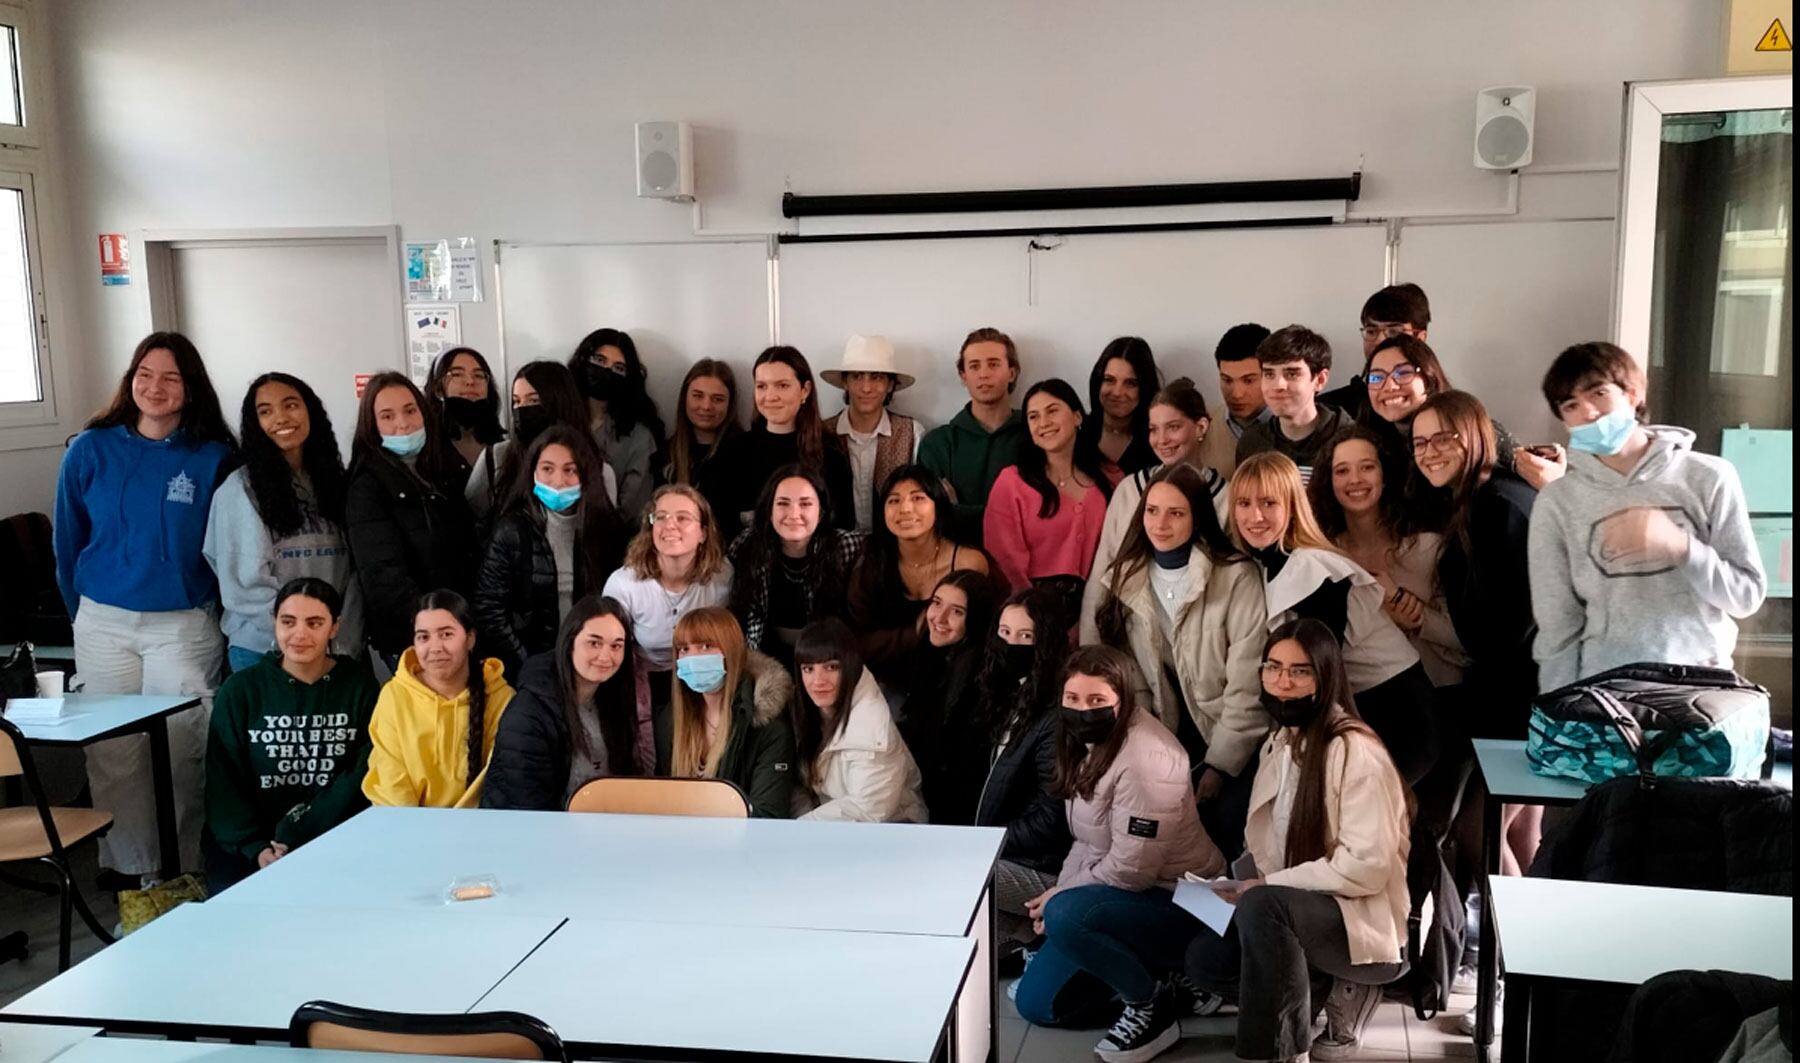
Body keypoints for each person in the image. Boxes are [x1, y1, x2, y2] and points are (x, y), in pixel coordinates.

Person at [1184, 619, 1413, 1063]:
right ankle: (1315, 994)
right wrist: (1236, 885)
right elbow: (1270, 846)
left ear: (1325, 676)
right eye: (1273, 667)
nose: (1282, 682)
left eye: (1300, 671)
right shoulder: (1280, 741)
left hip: (1356, 918)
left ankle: (1282, 1052)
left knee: (1263, 905)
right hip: (1300, 910)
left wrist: (1265, 884)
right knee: (1205, 959)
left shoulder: (1354, 750)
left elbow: (1365, 867)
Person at [54, 331, 236, 883]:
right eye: (145, 374)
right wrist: (81, 613)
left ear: (191, 388)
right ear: (130, 379)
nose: (155, 387)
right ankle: (133, 875)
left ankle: (180, 873)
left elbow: (228, 547)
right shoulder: (90, 448)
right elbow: (68, 542)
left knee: (183, 751)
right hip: (103, 623)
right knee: (114, 754)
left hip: (182, 625)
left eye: (171, 377)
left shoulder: (215, 458)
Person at [1011, 646, 1223, 1053]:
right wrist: (1062, 896)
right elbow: (1087, 841)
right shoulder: (1085, 740)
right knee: (1036, 1004)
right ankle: (1167, 976)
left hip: (1188, 900)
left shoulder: (1147, 760)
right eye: (1072, 699)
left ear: (1122, 701)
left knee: (1064, 916)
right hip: (1133, 894)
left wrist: (1061, 900)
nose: (1081, 711)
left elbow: (1133, 870)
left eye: (1096, 701)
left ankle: (1150, 1004)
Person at [1529, 341, 1766, 692]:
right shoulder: (1557, 502)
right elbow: (1557, 625)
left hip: (1702, 688)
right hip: (1605, 694)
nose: (1589, 413)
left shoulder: (1710, 477)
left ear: (1633, 393)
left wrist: (1681, 546)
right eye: (1571, 405)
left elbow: (1746, 596)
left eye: (1599, 393)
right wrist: (1561, 710)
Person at [1081, 463, 1269, 858]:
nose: (1160, 523)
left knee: (1226, 830)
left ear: (1197, 516)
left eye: (1176, 513)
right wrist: (1146, 751)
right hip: (1167, 735)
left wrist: (1220, 765)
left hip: (1233, 741)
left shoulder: (1236, 576)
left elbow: (1247, 684)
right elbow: (1134, 680)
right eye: (1152, 511)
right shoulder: (1125, 577)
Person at [1229, 452, 1437, 785]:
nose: (1255, 516)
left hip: (1394, 714)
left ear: (1293, 506)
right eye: (1243, 503)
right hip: (1357, 709)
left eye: (1269, 502)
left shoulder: (1312, 569)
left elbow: (1323, 673)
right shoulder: (1269, 566)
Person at [202, 578, 378, 893]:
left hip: (336, 837)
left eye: (314, 623)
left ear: (334, 627)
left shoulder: (360, 687)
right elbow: (224, 783)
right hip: (251, 846)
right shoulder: (241, 691)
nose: (300, 634)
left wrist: (303, 832)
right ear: (274, 624)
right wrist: (256, 848)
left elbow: (362, 773)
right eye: (288, 622)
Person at [205, 372, 363, 674]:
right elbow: (244, 584)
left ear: (310, 411)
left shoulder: (336, 483)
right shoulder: (239, 489)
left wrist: (336, 636)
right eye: (265, 411)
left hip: (336, 648)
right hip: (264, 651)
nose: (280, 417)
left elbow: (356, 575)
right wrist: (300, 634)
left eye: (290, 405)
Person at [1308, 425, 1467, 687]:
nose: (1355, 479)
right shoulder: (1323, 560)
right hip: (1363, 710)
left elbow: (1469, 641)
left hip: (1441, 700)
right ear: (1329, 482)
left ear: (1385, 475)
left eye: (1367, 467)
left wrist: (1416, 618)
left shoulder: (1428, 549)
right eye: (1342, 471)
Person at [343, 372, 480, 664]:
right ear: (372, 426)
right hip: (416, 639)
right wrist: (441, 628)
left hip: (463, 629)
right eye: (387, 416)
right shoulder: (366, 487)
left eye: (410, 411)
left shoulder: (445, 470)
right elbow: (384, 579)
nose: (403, 424)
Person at [474, 425, 628, 677]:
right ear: (532, 472)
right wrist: (529, 665)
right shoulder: (511, 530)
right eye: (547, 469)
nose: (558, 481)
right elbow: (490, 609)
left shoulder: (607, 529)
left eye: (570, 470)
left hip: (594, 664)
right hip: (531, 666)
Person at [480, 595, 654, 811]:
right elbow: (527, 807)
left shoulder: (614, 696)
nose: (605, 656)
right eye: (594, 643)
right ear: (569, 643)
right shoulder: (528, 712)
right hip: (537, 832)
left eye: (616, 646)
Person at [972, 587, 1075, 945]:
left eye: (1025, 636)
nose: (1012, 645)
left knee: (961, 873)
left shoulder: (1056, 714)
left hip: (1042, 868)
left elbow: (1052, 820)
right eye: (1005, 633)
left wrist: (984, 841)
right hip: (1009, 854)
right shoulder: (1011, 697)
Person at [362, 591, 515, 808]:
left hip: (479, 827)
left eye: (446, 635)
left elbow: (501, 781)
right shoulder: (394, 696)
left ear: (470, 638)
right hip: (408, 829)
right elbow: (390, 780)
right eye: (423, 637)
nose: (435, 648)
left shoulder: (500, 697)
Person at [845, 464, 991, 685]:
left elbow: (980, 639)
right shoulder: (872, 560)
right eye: (893, 500)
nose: (905, 509)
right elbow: (856, 640)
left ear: (938, 506)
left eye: (918, 498)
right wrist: (914, 631)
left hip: (952, 682)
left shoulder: (968, 562)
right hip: (882, 679)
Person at [698, 346, 856, 540]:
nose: (770, 396)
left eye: (782, 385)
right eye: (762, 386)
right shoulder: (733, 450)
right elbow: (715, 524)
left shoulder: (830, 453)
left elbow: (842, 526)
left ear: (805, 390)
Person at [654, 606, 796, 818]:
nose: (693, 657)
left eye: (706, 646)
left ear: (731, 652)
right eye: (684, 649)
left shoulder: (768, 727)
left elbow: (769, 814)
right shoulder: (670, 719)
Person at [1090, 377, 1230, 590]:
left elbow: (1232, 575)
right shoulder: (1130, 489)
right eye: (1154, 429)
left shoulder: (1226, 496)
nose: (1161, 439)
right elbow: (1104, 568)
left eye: (1173, 427)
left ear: (1201, 427)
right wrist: (1091, 623)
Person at [1357, 333, 1546, 489]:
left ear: (1429, 377)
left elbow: (1540, 473)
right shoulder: (1369, 431)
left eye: (1403, 373)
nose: (1389, 386)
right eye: (1376, 377)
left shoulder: (1467, 429)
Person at [601, 484, 733, 707]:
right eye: (661, 517)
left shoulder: (723, 575)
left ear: (703, 532)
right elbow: (611, 649)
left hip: (703, 675)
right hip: (641, 681)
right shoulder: (623, 583)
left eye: (683, 518)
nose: (669, 525)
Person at [984, 379, 1111, 605]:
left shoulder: (1109, 480)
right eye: (1033, 416)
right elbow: (1004, 559)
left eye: (1052, 411)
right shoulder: (1012, 482)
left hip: (1095, 609)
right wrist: (1031, 615)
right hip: (1029, 611)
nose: (1043, 423)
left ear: (1077, 417)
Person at [790, 618, 929, 822]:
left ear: (851, 666)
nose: (818, 681)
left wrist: (798, 829)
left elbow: (868, 809)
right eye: (808, 669)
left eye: (831, 667)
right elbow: (800, 786)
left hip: (893, 831)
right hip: (836, 829)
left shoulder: (872, 725)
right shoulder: (805, 711)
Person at [727, 465, 866, 667]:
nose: (793, 514)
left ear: (820, 513)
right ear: (769, 511)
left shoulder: (847, 547)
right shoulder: (748, 547)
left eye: (805, 504)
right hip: (766, 662)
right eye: (783, 503)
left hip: (830, 660)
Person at [896, 570, 999, 825]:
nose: (939, 618)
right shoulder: (931, 654)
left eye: (957, 611)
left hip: (956, 810)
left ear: (976, 619)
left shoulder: (980, 676)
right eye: (937, 603)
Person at [466, 361, 615, 527]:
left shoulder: (597, 467)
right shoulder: (496, 456)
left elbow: (605, 532)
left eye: (533, 400)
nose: (522, 409)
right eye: (516, 401)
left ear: (559, 403)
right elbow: (472, 519)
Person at [918, 326, 1029, 544]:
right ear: (963, 376)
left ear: (1012, 372)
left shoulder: (1036, 436)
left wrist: (960, 512)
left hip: (1027, 565)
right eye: (974, 366)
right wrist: (1007, 514)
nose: (984, 374)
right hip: (955, 565)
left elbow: (1040, 516)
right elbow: (935, 519)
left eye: (993, 364)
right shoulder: (937, 444)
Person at [822, 334, 923, 532]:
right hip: (833, 550)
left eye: (876, 377)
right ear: (845, 383)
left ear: (891, 385)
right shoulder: (822, 434)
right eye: (857, 376)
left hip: (895, 551)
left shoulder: (911, 433)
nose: (866, 387)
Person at [568, 327, 666, 522]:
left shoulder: (639, 436)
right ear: (583, 361)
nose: (607, 371)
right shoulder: (559, 419)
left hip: (609, 540)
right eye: (600, 361)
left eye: (618, 368)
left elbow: (633, 510)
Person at [1235, 325, 1353, 485]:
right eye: (1269, 374)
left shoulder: (1351, 440)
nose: (1278, 385)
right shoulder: (1252, 441)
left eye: (1291, 374)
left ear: (1320, 380)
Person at [1319, 281, 1432, 416]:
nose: (1380, 341)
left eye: (1394, 331)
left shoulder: (1445, 411)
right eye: (1371, 331)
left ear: (1420, 337)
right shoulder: (1330, 410)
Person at [1079, 336, 1161, 485]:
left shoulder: (1158, 441)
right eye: (1109, 380)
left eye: (1130, 383)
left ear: (1144, 388)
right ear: (1097, 382)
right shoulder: (1077, 434)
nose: (1117, 392)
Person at [1202, 322, 1273, 479]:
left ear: (1270, 375)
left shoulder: (1292, 425)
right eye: (1227, 380)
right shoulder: (1203, 425)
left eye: (1248, 381)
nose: (1236, 394)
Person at [662, 359, 743, 487]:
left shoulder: (745, 453)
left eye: (718, 399)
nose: (706, 406)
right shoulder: (664, 454)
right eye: (698, 396)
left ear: (730, 404)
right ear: (684, 398)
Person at [425, 346, 504, 475]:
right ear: (438, 388)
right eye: (457, 374)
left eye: (478, 375)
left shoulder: (500, 446)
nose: (470, 381)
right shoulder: (426, 444)